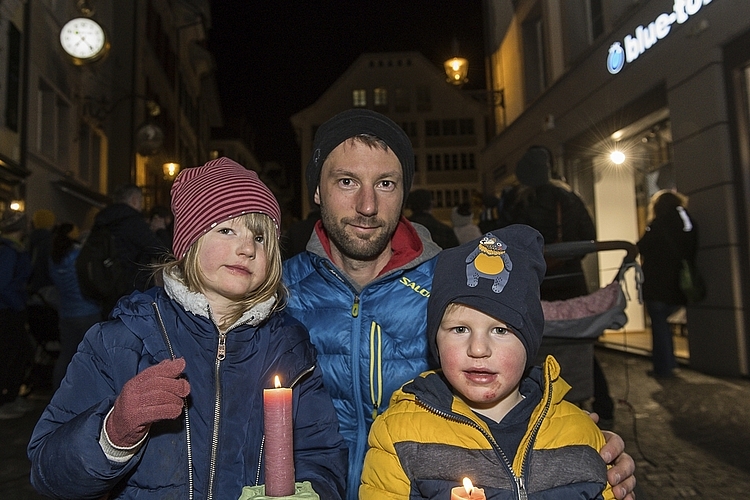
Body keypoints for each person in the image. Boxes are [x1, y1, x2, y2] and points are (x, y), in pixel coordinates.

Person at [282, 108, 636, 500]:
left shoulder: (455, 290)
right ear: (316, 190)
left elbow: (515, 383)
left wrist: (579, 448)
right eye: (347, 181)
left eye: (385, 183)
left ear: (404, 193)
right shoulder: (274, 294)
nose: (367, 205)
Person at [28, 157, 347, 499]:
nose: (247, 248)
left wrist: (312, 492)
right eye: (226, 229)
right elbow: (47, 473)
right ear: (189, 241)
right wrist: (112, 433)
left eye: (260, 236)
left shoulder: (289, 347)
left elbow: (321, 456)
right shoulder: (122, 340)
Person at [361, 225, 614, 499]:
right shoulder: (399, 437)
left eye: (500, 330)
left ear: (529, 341)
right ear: (435, 339)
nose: (478, 349)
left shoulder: (580, 435)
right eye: (460, 329)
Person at [498, 145, 615, 426]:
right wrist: (566, 257)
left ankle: (536, 407)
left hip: (533, 284)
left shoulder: (518, 201)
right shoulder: (569, 197)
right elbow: (588, 236)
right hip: (570, 281)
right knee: (578, 343)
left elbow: (506, 242)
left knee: (533, 345)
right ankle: (602, 405)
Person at [637, 189, 697, 379]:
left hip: (656, 282)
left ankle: (663, 367)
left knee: (659, 325)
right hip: (678, 282)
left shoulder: (657, 224)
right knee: (666, 324)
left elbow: (642, 246)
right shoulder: (685, 222)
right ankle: (670, 364)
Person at [89, 183, 169, 317]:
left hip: (107, 289)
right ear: (134, 200)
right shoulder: (133, 222)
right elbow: (161, 251)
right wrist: (160, 230)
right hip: (133, 294)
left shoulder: (102, 221)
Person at [48, 223, 102, 391]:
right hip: (88, 311)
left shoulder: (54, 260)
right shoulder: (79, 256)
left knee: (66, 354)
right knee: (91, 355)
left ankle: (58, 390)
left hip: (66, 313)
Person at [0, 211, 33, 420]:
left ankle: (10, 398)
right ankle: (6, 401)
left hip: (9, 309)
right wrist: (19, 305)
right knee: (11, 355)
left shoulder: (13, 250)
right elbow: (3, 285)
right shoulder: (9, 252)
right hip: (8, 311)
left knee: (16, 353)